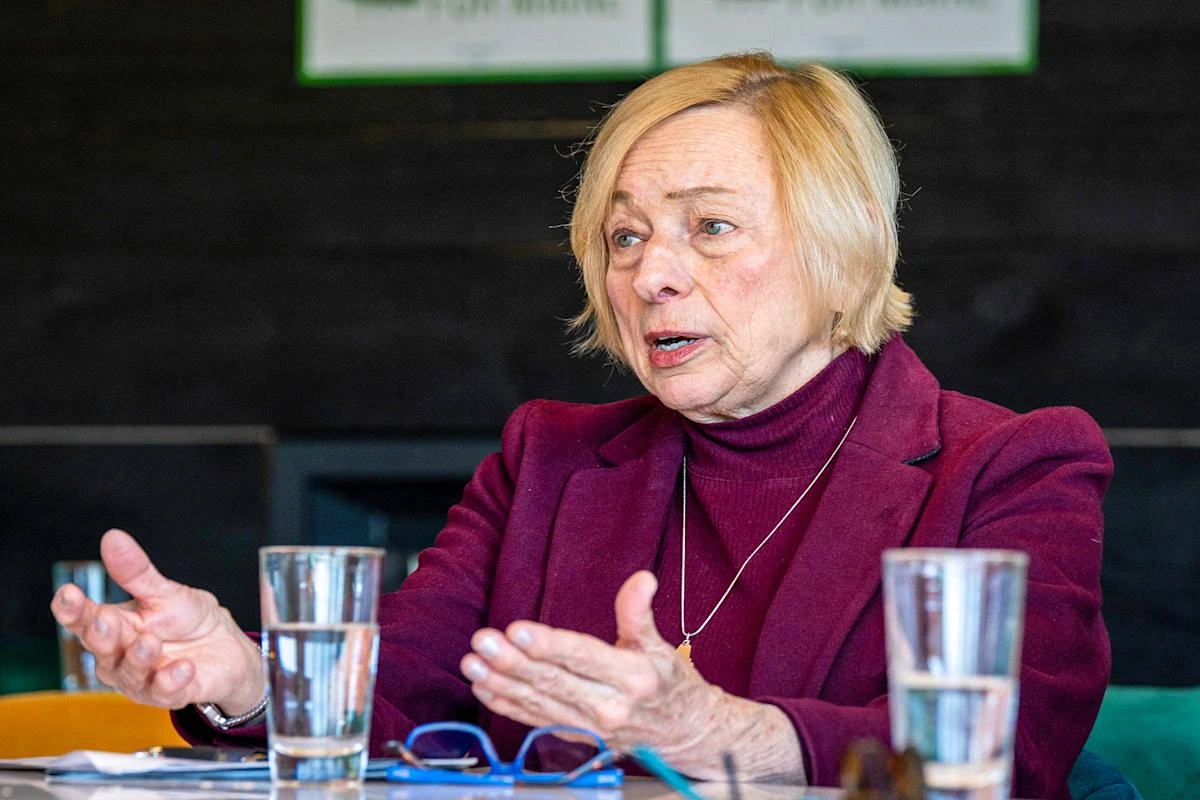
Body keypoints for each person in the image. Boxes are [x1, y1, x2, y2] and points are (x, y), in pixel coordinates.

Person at [50, 53, 1112, 799]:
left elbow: (1007, 757)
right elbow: (406, 694)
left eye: (711, 226)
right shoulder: (548, 457)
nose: (651, 272)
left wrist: (719, 732)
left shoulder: (1007, 464)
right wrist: (241, 672)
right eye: (625, 235)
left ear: (850, 244)